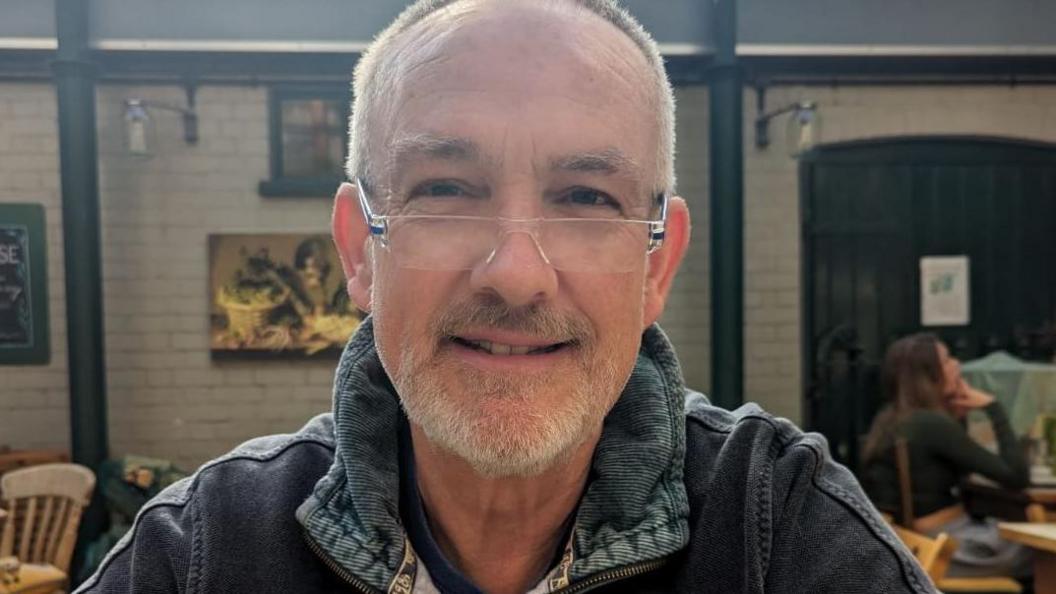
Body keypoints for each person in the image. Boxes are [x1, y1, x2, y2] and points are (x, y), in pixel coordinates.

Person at [76, 1, 933, 592]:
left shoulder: (779, 537)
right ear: (359, 250)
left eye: (586, 197)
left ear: (657, 266)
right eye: (446, 188)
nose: (516, 273)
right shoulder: (206, 552)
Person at [862, 333, 1031, 578]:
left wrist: (956, 418)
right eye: (948, 360)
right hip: (949, 547)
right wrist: (994, 409)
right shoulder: (929, 423)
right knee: (1042, 550)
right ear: (928, 375)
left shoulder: (892, 418)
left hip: (915, 544)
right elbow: (1016, 475)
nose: (957, 365)